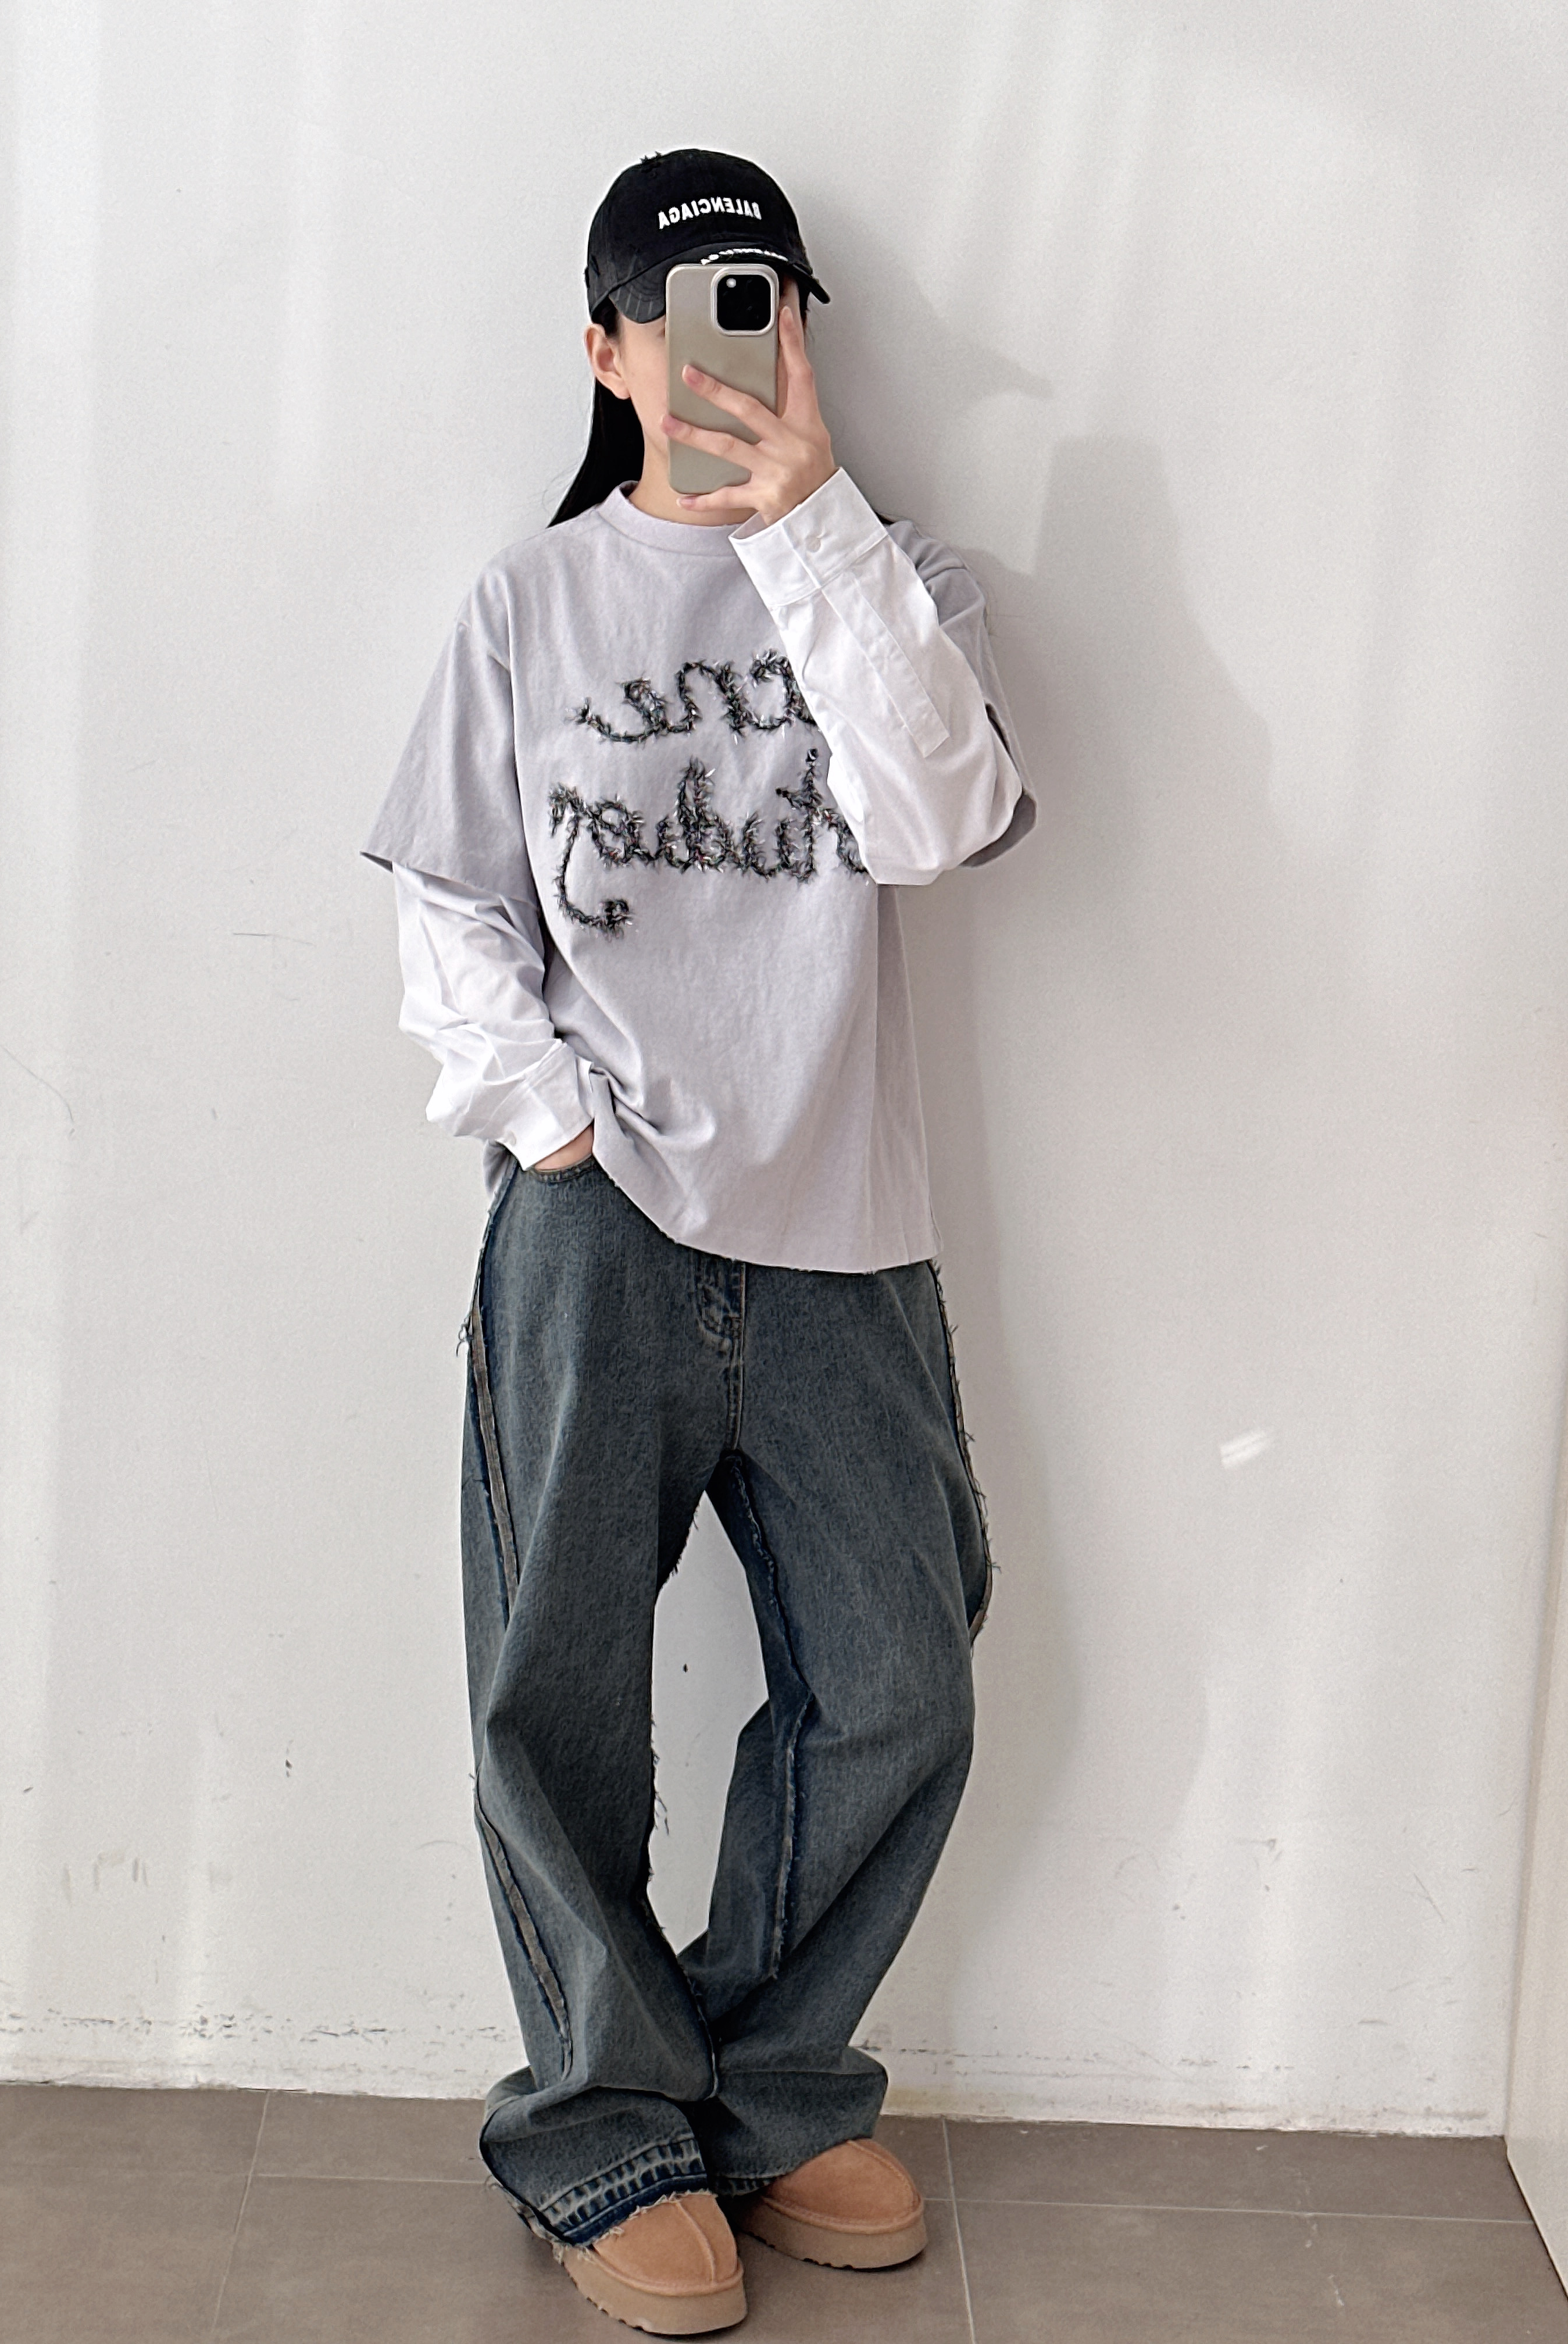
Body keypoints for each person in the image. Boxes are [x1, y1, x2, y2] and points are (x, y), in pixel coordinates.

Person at [363, 147, 1035, 2336]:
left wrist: (812, 530)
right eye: (684, 309)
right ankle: (600, 2124)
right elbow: (448, 895)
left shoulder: (897, 583)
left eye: (767, 304)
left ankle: (764, 2090)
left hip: (847, 1228)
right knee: (557, 1692)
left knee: (901, 1679)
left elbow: (942, 820)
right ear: (605, 347)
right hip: (599, 1228)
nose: (731, 345)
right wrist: (548, 1118)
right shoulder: (531, 605)